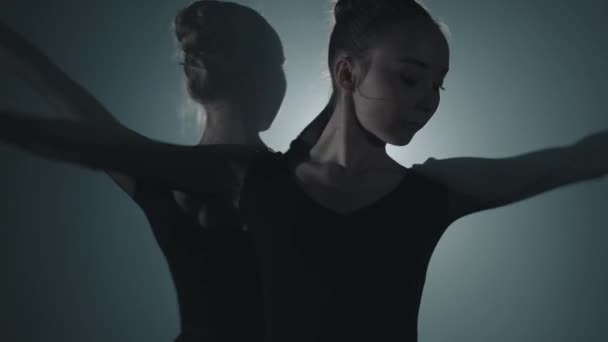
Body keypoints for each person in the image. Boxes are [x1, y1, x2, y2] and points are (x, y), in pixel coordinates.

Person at [0, 0, 606, 341]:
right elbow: (105, 145)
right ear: (346, 74)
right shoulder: (257, 180)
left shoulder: (434, 189)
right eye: (411, 76)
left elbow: (574, 158)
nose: (429, 99)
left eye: (439, 84)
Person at [0, 1, 285, 341]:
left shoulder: (159, 173)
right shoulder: (268, 173)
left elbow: (95, 128)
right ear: (259, 76)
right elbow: (96, 129)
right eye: (278, 67)